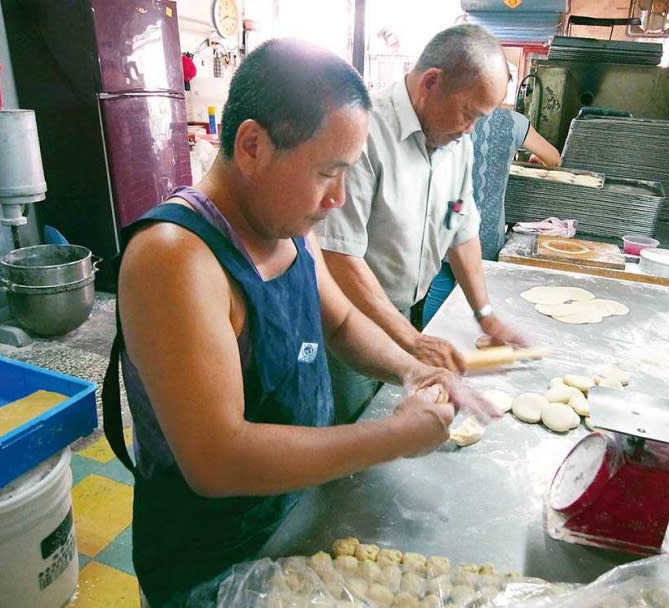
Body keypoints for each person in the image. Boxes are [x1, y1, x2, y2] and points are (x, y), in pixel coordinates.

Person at [101, 39, 497, 607]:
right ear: (253, 145)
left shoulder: (287, 226)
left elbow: (337, 324)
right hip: (207, 562)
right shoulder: (176, 260)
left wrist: (414, 371)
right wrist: (394, 437)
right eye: (326, 172)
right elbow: (218, 458)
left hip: (291, 522)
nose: (338, 198)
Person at [315, 24, 527, 423]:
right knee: (354, 432)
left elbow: (461, 231)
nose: (470, 130)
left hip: (407, 315)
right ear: (431, 82)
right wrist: (412, 342)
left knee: (393, 418)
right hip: (349, 325)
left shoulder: (456, 143)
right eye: (468, 113)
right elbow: (337, 255)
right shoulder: (363, 131)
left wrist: (485, 314)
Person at [423, 107, 560, 326]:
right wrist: (533, 156)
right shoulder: (514, 121)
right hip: (486, 229)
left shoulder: (446, 111)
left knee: (440, 290)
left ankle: (431, 349)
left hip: (447, 222)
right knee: (479, 300)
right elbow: (553, 158)